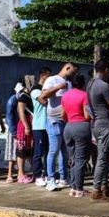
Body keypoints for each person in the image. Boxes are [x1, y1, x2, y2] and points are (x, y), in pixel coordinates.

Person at [40, 62, 79, 191]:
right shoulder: (52, 79)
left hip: (66, 120)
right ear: (67, 68)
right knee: (54, 150)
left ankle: (63, 178)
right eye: (72, 72)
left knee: (65, 151)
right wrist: (57, 87)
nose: (73, 75)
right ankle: (50, 179)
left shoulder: (69, 83)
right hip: (54, 120)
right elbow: (43, 95)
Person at [88, 59, 109, 202]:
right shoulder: (103, 86)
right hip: (104, 124)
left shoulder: (90, 83)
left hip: (95, 123)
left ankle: (104, 187)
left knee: (104, 157)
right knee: (102, 157)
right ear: (106, 70)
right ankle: (96, 190)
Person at [62, 73, 92, 198]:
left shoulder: (65, 95)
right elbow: (86, 116)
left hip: (68, 127)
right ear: (83, 83)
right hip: (82, 127)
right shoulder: (84, 95)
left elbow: (62, 115)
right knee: (80, 160)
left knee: (73, 159)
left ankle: (73, 187)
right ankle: (79, 189)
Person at [8, 77, 35, 183]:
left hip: (30, 124)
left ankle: (34, 172)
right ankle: (21, 174)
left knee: (29, 151)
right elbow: (21, 112)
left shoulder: (30, 95)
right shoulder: (23, 96)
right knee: (22, 150)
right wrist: (27, 126)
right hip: (24, 125)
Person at [31, 67, 52, 186]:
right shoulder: (35, 89)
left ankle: (48, 174)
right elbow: (44, 102)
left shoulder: (47, 90)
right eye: (48, 76)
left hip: (49, 124)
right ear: (42, 76)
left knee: (48, 152)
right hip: (39, 125)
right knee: (38, 152)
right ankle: (38, 175)